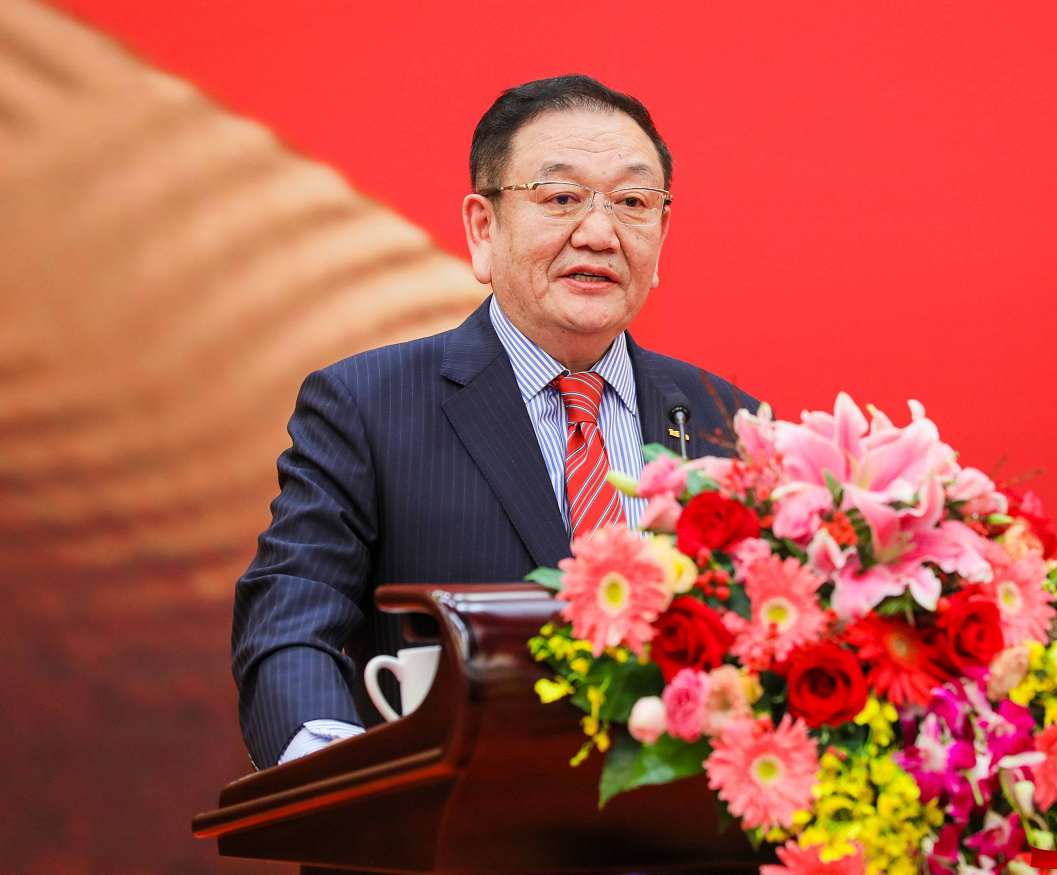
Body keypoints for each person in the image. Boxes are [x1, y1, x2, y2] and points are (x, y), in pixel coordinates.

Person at [231, 74, 760, 771]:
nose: (599, 233)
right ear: (484, 228)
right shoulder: (366, 406)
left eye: (633, 202)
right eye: (561, 198)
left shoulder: (731, 423)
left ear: (661, 232)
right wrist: (334, 778)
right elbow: (291, 618)